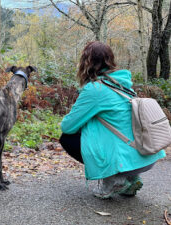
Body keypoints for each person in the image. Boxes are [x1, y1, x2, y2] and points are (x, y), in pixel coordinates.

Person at [59, 41, 166, 199]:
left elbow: (67, 126)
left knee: (68, 138)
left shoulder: (95, 89)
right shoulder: (123, 84)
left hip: (128, 161)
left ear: (86, 63)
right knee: (105, 124)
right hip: (148, 155)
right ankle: (131, 179)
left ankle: (114, 180)